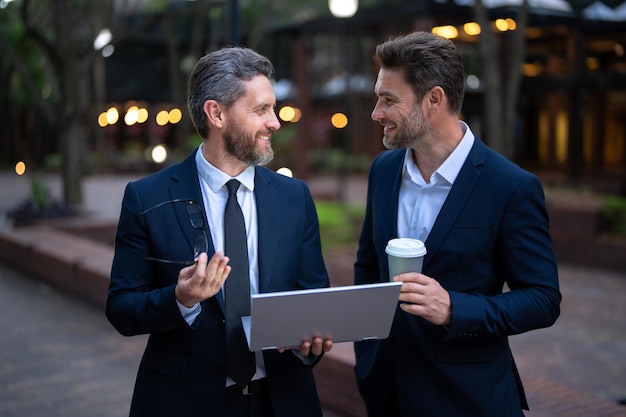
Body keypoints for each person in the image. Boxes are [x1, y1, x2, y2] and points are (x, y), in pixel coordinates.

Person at [106, 47, 332, 417]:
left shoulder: (295, 197)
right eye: (261, 110)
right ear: (216, 113)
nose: (275, 122)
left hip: (283, 401)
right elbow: (121, 308)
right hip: (183, 403)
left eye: (273, 108)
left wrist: (311, 341)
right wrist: (180, 299)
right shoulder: (146, 198)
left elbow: (313, 296)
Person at [353, 31, 561, 417]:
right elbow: (368, 268)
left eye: (388, 100)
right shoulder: (383, 170)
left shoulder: (511, 187)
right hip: (386, 392)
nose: (375, 113)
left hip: (469, 399)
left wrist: (453, 308)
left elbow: (543, 300)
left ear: (434, 99)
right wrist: (368, 353)